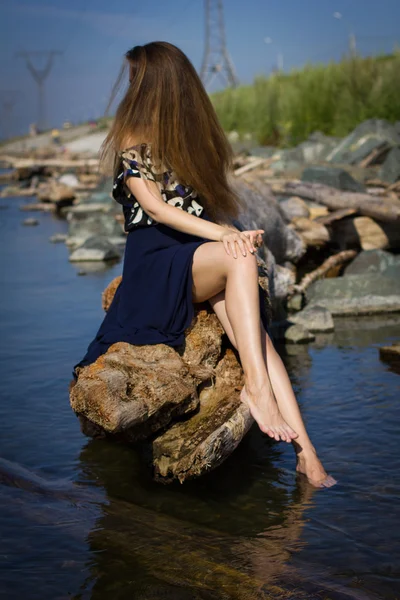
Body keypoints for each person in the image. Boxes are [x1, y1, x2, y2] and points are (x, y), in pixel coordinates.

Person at [74, 41, 336, 489]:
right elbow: (156, 210)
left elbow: (208, 215)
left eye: (137, 76)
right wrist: (227, 237)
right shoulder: (130, 138)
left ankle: (308, 457)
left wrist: (231, 233)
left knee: (256, 338)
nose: (131, 85)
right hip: (155, 265)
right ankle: (257, 390)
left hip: (196, 258)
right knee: (240, 260)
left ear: (158, 83)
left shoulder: (192, 143)